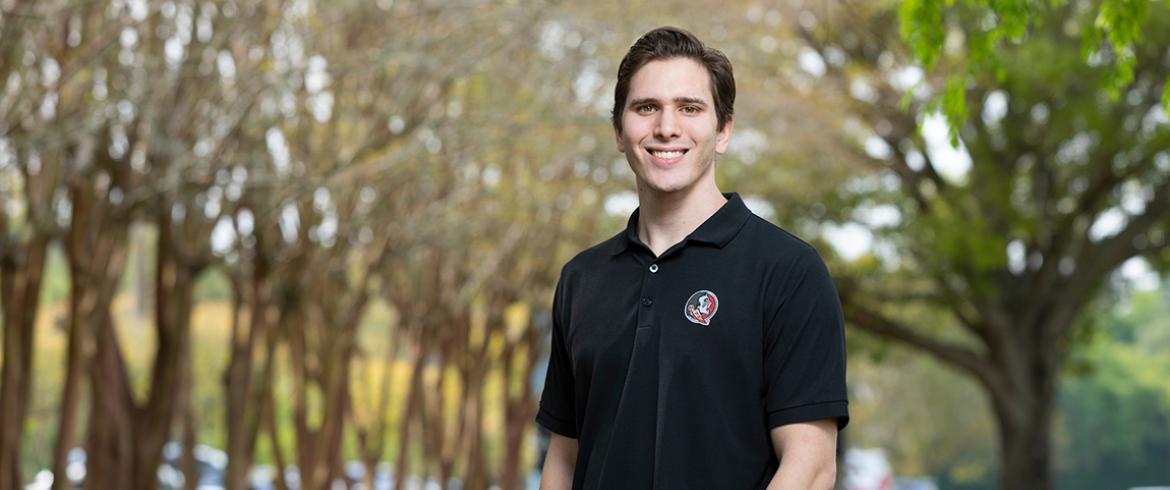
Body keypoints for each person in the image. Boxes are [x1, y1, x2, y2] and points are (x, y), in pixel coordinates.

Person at [536, 26, 848, 489]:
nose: (667, 127)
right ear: (619, 131)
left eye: (690, 108)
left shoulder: (788, 272)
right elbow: (565, 456)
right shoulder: (582, 279)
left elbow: (811, 466)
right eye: (646, 108)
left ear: (723, 131)